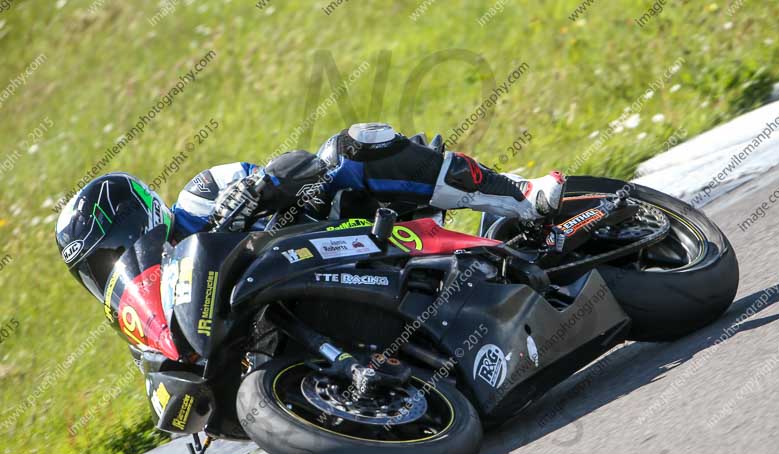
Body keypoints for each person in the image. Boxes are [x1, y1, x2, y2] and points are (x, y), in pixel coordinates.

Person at [55, 123, 565, 301]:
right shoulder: (162, 315)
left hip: (352, 232)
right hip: (317, 300)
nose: (114, 270)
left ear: (133, 222)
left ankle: (520, 193)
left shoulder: (201, 196)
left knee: (350, 147)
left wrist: (256, 191)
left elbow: (294, 166)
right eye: (97, 272)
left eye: (111, 254)